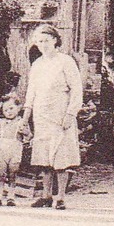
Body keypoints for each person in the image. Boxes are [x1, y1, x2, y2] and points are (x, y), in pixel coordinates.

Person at [24, 22, 83, 210]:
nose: (43, 44)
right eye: (39, 41)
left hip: (60, 114)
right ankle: (46, 195)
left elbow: (76, 89)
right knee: (44, 157)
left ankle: (61, 197)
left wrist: (70, 114)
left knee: (61, 157)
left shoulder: (65, 61)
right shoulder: (37, 64)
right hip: (42, 115)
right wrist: (26, 117)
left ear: (55, 40)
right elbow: (31, 93)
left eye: (46, 40)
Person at [0, 93, 28, 206]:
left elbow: (29, 135)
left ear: (18, 108)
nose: (9, 111)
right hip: (3, 149)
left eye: (11, 108)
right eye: (5, 109)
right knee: (1, 174)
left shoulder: (21, 122)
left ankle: (11, 197)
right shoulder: (2, 122)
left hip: (15, 149)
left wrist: (25, 132)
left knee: (12, 174)